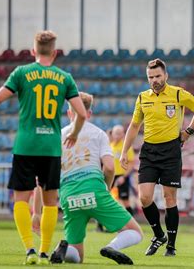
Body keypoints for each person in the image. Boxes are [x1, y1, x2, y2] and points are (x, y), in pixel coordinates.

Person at [0, 31, 87, 265]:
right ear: (55, 52)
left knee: (20, 201)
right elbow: (82, 113)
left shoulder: (22, 73)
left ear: (33, 51)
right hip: (50, 148)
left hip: (25, 146)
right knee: (50, 204)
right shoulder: (64, 77)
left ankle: (30, 250)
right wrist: (74, 133)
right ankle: (45, 252)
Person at [35, 92, 142, 265]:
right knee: (135, 232)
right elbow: (109, 167)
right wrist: (105, 189)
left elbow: (44, 176)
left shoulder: (58, 136)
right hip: (94, 190)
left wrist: (39, 210)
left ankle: (63, 249)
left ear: (69, 113)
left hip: (68, 195)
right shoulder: (99, 134)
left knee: (77, 254)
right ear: (89, 113)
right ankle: (112, 247)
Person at [120, 59, 194, 257]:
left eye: (158, 76)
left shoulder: (177, 93)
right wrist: (124, 151)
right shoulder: (142, 98)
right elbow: (134, 126)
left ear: (165, 76)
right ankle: (159, 235)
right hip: (149, 151)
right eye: (151, 77)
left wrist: (188, 131)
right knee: (144, 197)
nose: (155, 80)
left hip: (171, 151)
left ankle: (171, 246)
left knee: (170, 198)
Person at [111, 124, 136, 215]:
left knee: (125, 201)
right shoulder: (110, 146)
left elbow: (131, 163)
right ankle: (100, 226)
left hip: (122, 176)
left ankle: (132, 224)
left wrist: (124, 177)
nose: (117, 135)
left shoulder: (126, 147)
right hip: (111, 176)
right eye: (115, 133)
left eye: (119, 133)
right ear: (112, 134)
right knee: (105, 199)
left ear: (123, 134)